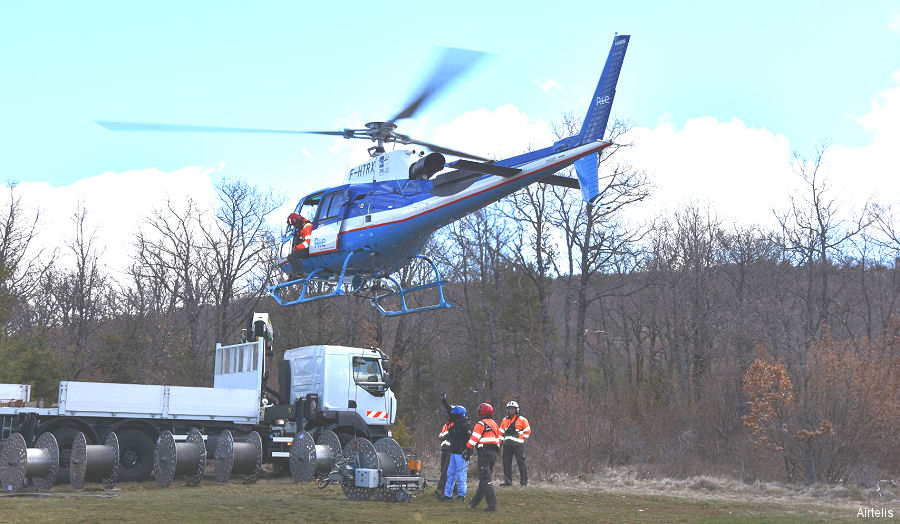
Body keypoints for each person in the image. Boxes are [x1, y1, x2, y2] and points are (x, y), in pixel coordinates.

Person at [465, 402, 501, 512]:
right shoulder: (494, 424)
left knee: (485, 479)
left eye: (479, 411)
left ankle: (492, 504)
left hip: (484, 454)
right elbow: (499, 439)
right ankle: (474, 502)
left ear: (482, 413)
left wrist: (467, 449)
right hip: (493, 454)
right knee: (484, 479)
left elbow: (473, 439)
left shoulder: (480, 424)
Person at [443, 404, 472, 501]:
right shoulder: (455, 423)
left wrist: (468, 452)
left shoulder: (467, 426)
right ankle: (448, 495)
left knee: (461, 476)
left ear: (460, 416)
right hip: (453, 452)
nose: (453, 417)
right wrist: (444, 401)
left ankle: (461, 495)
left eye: (455, 416)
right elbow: (449, 411)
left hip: (462, 454)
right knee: (450, 474)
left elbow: (471, 441)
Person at [499, 400, 531, 487]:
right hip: (507, 446)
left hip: (518, 446)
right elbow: (500, 433)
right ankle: (508, 482)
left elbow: (527, 432)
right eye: (509, 409)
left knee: (521, 464)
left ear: (517, 410)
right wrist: (500, 444)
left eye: (513, 409)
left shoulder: (522, 420)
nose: (511, 411)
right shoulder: (504, 420)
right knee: (506, 464)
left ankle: (523, 483)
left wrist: (522, 440)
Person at [435, 392, 454, 497]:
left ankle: (440, 489)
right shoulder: (445, 425)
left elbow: (449, 409)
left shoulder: (455, 424)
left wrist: (444, 401)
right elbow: (440, 436)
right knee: (443, 470)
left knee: (446, 470)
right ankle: (454, 488)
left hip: (451, 450)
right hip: (444, 450)